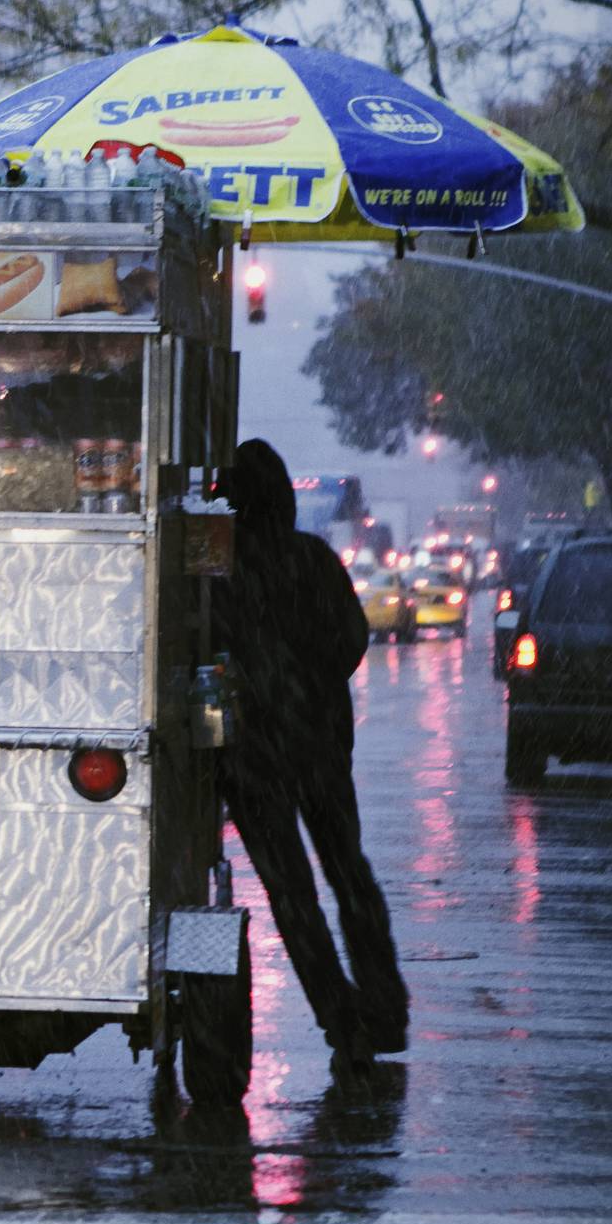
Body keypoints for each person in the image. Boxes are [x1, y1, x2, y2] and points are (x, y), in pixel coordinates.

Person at [213, 439, 410, 1067]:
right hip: (322, 749)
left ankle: (341, 1020)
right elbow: (354, 637)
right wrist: (314, 688)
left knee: (291, 894)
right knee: (349, 871)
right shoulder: (315, 559)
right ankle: (384, 1008)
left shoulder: (217, 573)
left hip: (251, 763)